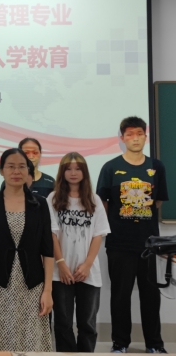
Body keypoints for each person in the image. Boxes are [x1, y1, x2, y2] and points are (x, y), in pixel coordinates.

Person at [97, 116, 169, 354]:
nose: (135, 138)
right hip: (119, 243)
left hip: (149, 244)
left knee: (151, 296)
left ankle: (154, 344)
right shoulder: (110, 168)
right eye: (130, 134)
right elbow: (103, 204)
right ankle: (120, 343)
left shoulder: (157, 167)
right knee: (120, 296)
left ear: (145, 137)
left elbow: (157, 202)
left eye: (139, 133)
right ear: (122, 138)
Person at [0, 148, 54, 352]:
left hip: (33, 284)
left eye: (21, 167)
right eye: (10, 166)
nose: (16, 171)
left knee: (32, 338)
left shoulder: (40, 204)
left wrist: (47, 291)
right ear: (1, 170)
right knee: (2, 337)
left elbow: (48, 250)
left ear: (29, 171)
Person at [47, 152, 110, 352]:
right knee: (63, 323)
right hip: (60, 272)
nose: (73, 173)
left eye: (77, 169)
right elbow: (51, 235)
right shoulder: (53, 198)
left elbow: (98, 234)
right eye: (68, 169)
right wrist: (61, 264)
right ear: (62, 172)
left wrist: (87, 264)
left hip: (88, 272)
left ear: (84, 172)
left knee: (88, 324)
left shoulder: (94, 199)